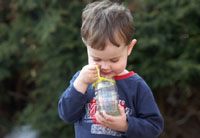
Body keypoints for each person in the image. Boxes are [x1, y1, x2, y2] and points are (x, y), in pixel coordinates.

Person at [58, 0, 164, 137]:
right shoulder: (82, 80)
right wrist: (81, 83)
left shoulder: (136, 85)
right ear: (87, 48)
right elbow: (67, 115)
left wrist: (125, 125)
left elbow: (154, 127)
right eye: (96, 59)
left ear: (129, 48)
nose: (105, 66)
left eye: (114, 60)